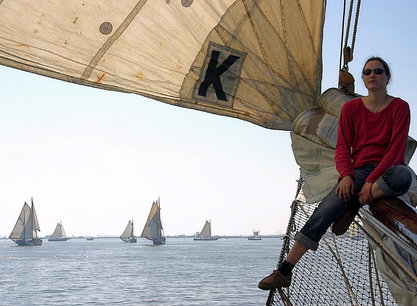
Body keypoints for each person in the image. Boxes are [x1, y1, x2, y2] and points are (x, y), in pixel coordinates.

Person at [258, 56, 413, 290]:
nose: (372, 75)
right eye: (368, 72)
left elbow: (396, 150)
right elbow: (342, 147)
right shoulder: (352, 108)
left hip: (388, 171)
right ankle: (284, 271)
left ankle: (354, 203)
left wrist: (371, 182)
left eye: (378, 71)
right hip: (358, 171)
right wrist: (346, 175)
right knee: (325, 211)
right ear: (362, 78)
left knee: (403, 177)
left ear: (387, 77)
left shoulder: (400, 107)